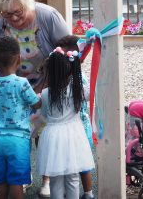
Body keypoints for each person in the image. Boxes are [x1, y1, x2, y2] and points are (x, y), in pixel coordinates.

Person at [0, 0, 69, 196]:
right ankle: (20, 176)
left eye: (18, 12)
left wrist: (46, 89)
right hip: (16, 88)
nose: (13, 18)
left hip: (48, 82)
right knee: (19, 135)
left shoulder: (48, 17)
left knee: (46, 132)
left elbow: (68, 54)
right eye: (7, 14)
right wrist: (5, 86)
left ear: (27, 2)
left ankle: (47, 178)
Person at [0, 36, 41, 199]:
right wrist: (40, 96)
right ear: (18, 58)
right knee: (16, 181)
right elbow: (36, 104)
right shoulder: (22, 83)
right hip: (18, 139)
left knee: (1, 181)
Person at [36, 47, 95, 199]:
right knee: (73, 177)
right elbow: (94, 88)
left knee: (55, 178)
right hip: (73, 136)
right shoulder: (77, 91)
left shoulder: (44, 94)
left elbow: (43, 115)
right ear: (70, 72)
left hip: (52, 136)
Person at [54, 35, 95, 199]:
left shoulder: (75, 80)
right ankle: (86, 193)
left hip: (78, 128)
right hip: (78, 127)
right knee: (80, 164)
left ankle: (86, 192)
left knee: (78, 165)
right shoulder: (74, 79)